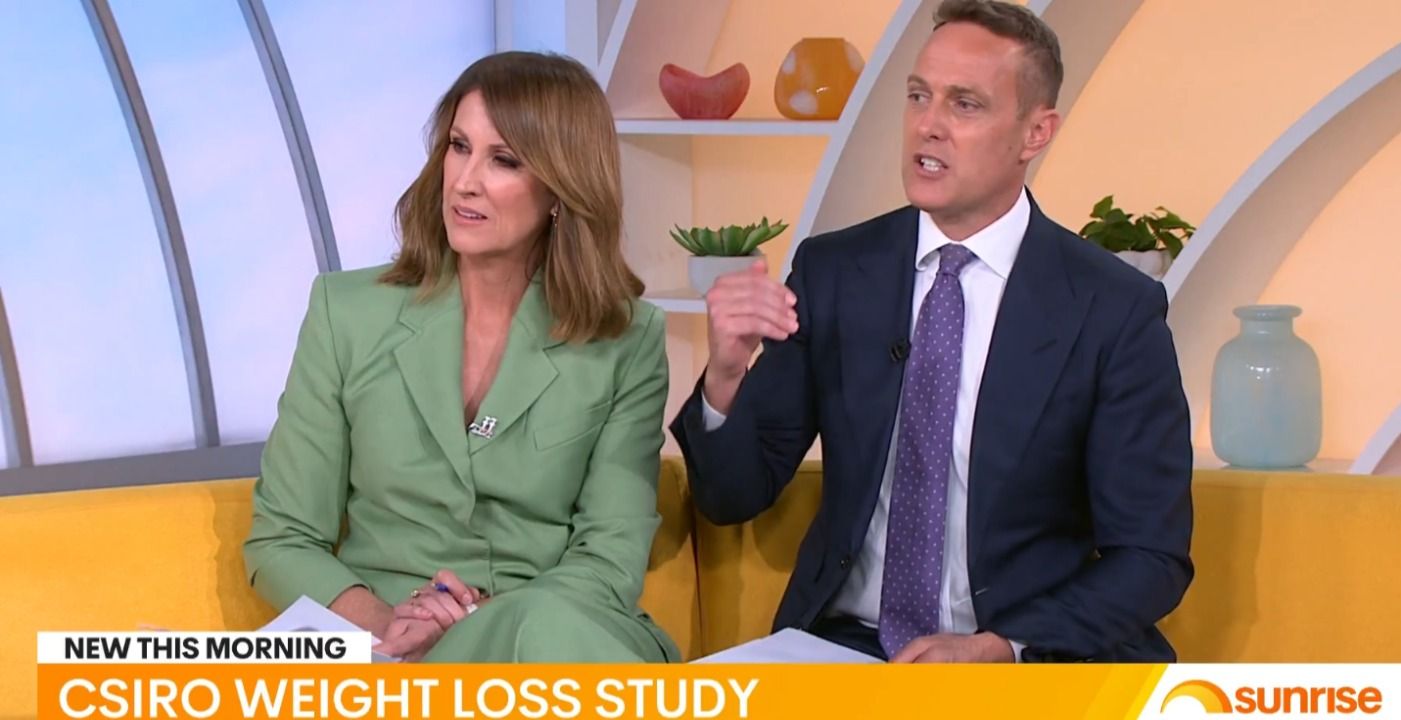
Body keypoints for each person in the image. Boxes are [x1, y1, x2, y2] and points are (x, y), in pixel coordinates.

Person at [670, 0, 1193, 663]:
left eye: (964, 105)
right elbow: (731, 496)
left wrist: (1002, 647)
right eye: (919, 96)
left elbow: (1150, 556)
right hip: (846, 646)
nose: (928, 125)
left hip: (1026, 655)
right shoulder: (835, 272)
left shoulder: (1111, 308)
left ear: (1035, 133)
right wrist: (724, 374)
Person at [243, 51, 677, 663]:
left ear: (562, 188)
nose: (466, 181)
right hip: (386, 641)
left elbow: (609, 558)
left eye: (504, 160)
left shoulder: (626, 340)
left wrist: (475, 624)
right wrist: (392, 626)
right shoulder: (346, 314)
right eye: (459, 147)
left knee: (541, 629)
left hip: (555, 631)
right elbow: (284, 538)